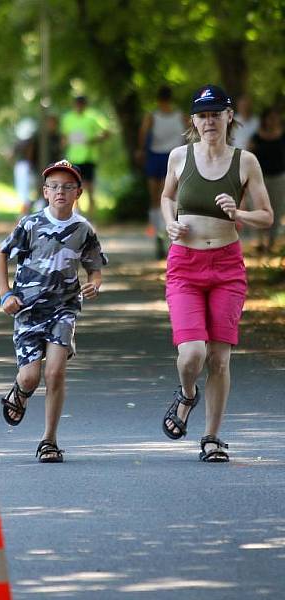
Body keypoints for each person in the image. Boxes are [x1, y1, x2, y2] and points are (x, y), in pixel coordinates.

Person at [160, 84, 273, 462]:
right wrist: (169, 224)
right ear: (193, 120)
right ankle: (187, 394)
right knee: (192, 355)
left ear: (229, 117)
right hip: (185, 267)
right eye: (202, 115)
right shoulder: (179, 156)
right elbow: (166, 197)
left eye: (216, 113)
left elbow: (267, 216)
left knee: (220, 359)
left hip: (226, 266)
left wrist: (238, 214)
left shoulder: (246, 162)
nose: (209, 121)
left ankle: (211, 437)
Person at [0, 160, 107, 463]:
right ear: (45, 192)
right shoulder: (31, 224)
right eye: (55, 186)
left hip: (64, 309)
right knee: (31, 378)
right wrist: (6, 294)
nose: (61, 191)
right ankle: (19, 391)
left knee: (55, 372)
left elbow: (95, 267)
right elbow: (1, 253)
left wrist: (95, 284)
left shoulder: (83, 229)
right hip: (29, 311)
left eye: (68, 187)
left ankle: (49, 440)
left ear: (78, 193)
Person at [135, 85, 188, 259]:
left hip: (156, 158)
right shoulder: (180, 116)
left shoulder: (152, 116)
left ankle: (158, 233)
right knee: (171, 196)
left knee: (155, 198)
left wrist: (141, 151)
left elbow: (143, 134)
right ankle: (167, 233)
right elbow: (191, 132)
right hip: (174, 157)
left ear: (158, 99)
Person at [61, 96, 109, 220]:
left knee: (90, 190)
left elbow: (106, 133)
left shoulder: (93, 117)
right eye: (77, 104)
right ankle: (77, 217)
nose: (79, 107)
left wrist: (93, 140)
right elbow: (64, 137)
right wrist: (65, 142)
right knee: (74, 189)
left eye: (81, 104)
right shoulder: (67, 118)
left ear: (85, 105)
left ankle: (91, 219)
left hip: (89, 158)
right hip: (73, 159)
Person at [248, 107, 285, 253]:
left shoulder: (283, 136)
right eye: (270, 117)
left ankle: (271, 242)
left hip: (279, 178)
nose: (272, 121)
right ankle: (259, 240)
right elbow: (249, 156)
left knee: (276, 209)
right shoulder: (256, 137)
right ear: (264, 120)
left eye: (275, 117)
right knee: (258, 209)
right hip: (259, 179)